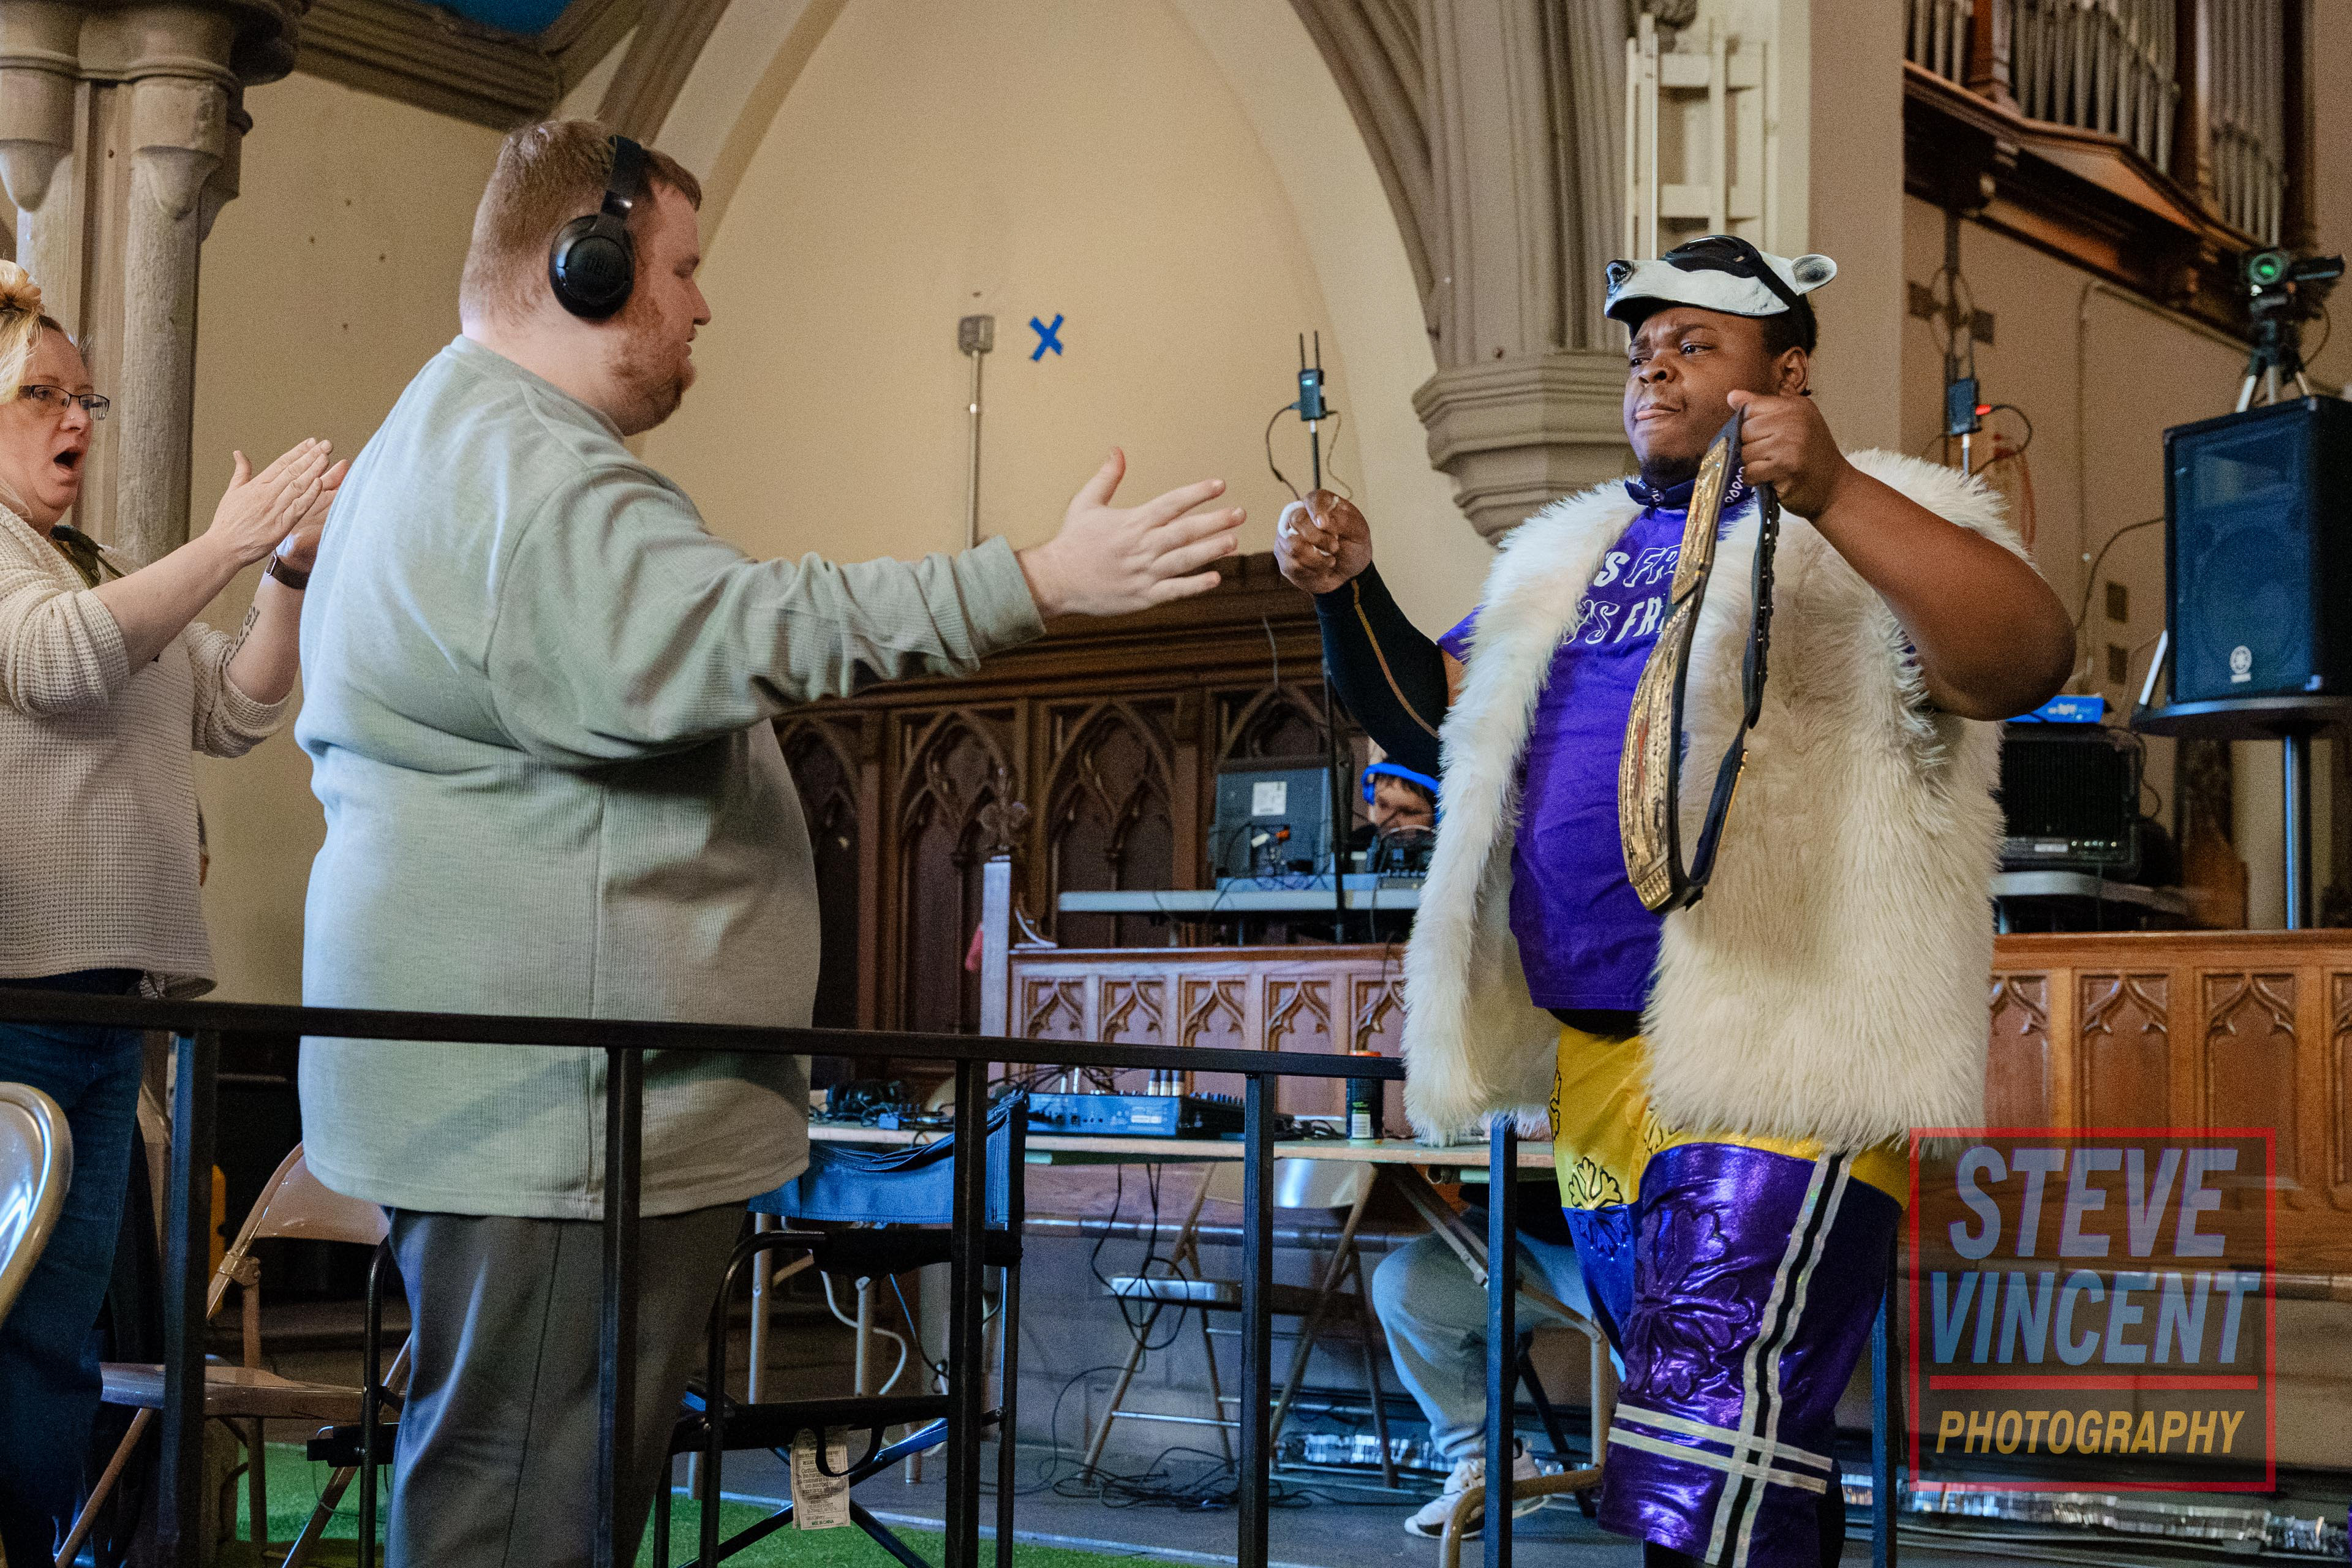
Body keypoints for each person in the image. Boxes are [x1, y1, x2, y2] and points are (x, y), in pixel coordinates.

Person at [293, 120, 1245, 1568]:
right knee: (522, 1515)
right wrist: (1035, 579)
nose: (700, 305)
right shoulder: (530, 472)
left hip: (544, 1105)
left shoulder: (463, 439)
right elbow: (749, 626)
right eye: (678, 268)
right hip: (557, 1116)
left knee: (534, 1492)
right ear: (586, 265)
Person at [1280, 235, 2071, 1568]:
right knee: (1718, 1430)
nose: (1654, 367)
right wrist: (1346, 593)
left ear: (1789, 373)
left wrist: (1833, 488)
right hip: (1598, 1056)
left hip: (1788, 1042)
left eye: (1695, 345)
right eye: (1644, 350)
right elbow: (1436, 717)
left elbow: (2026, 658)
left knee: (1705, 1433)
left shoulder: (1888, 514)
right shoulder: (1563, 553)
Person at [0, 260, 341, 1564]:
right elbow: (57, 659)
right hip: (17, 998)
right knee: (15, 1325)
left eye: (87, 398)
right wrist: (225, 544)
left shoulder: (89, 564)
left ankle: (53, 1541)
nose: (76, 420)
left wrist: (288, 570)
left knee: (61, 1334)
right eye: (44, 394)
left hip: (108, 1007)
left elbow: (237, 706)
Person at [1371, 1179, 1595, 1537]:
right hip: (1508, 1226)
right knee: (1403, 1284)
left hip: (1621, 1227)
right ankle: (1491, 1463)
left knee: (1660, 1340)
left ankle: (1673, 1492)